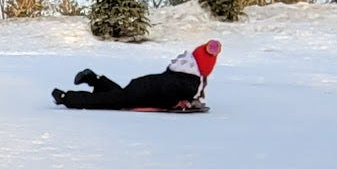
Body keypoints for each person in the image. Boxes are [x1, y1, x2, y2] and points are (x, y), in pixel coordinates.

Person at [51, 39, 221, 110]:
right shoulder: (190, 83)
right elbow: (169, 93)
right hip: (142, 93)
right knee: (105, 101)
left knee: (117, 95)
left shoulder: (180, 70)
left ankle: (94, 78)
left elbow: (168, 86)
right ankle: (66, 97)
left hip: (141, 86)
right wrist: (176, 103)